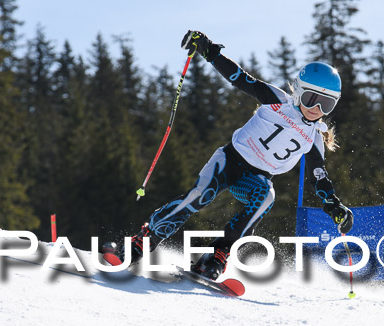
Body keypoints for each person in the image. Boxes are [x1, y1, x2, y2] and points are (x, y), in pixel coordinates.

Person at [114, 30, 354, 280]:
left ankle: (216, 255)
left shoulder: (315, 137)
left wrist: (333, 205)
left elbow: (319, 176)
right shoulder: (277, 100)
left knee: (266, 197)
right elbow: (240, 79)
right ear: (298, 91)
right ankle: (144, 240)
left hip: (257, 178)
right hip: (229, 161)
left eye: (326, 104)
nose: (316, 109)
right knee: (200, 196)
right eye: (311, 98)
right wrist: (210, 51)